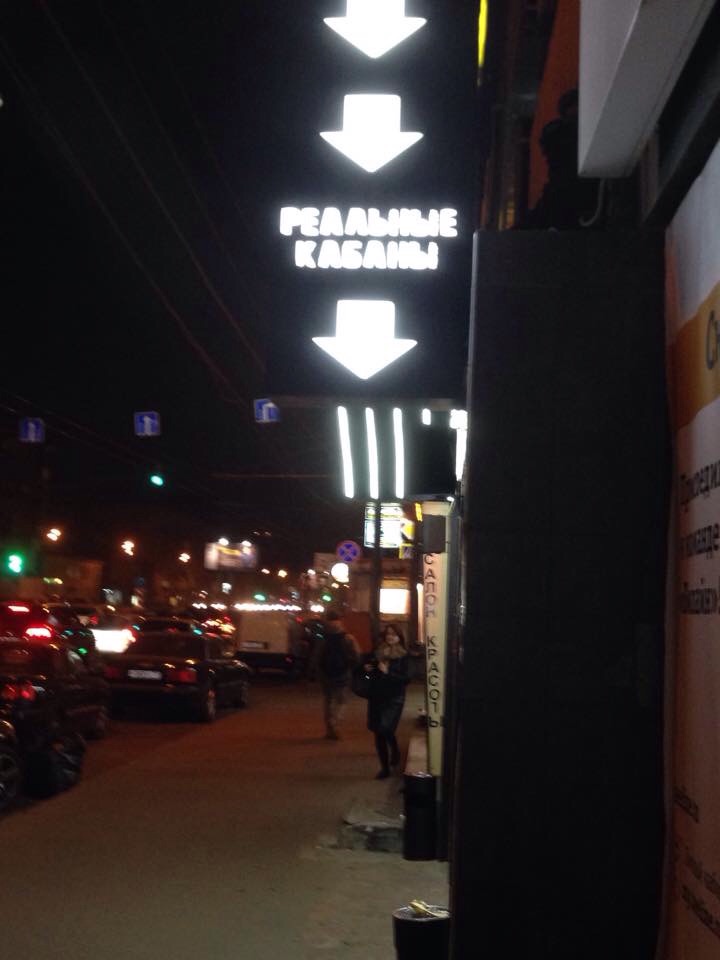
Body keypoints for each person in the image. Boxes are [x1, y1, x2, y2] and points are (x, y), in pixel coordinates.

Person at [366, 623, 410, 779]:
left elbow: (406, 679)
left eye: (394, 634)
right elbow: (368, 670)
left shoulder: (404, 655)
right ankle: (384, 768)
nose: (390, 637)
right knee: (378, 731)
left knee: (386, 728)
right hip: (377, 696)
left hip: (394, 698)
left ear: (400, 637)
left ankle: (395, 750)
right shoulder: (378, 651)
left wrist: (388, 672)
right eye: (388, 634)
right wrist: (368, 669)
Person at [311, 610, 359, 740]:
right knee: (341, 701)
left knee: (328, 700)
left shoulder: (322, 637)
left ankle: (329, 729)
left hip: (325, 674)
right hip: (343, 673)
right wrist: (351, 666)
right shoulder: (348, 637)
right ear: (340, 620)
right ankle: (335, 723)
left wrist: (315, 671)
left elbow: (317, 656)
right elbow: (356, 655)